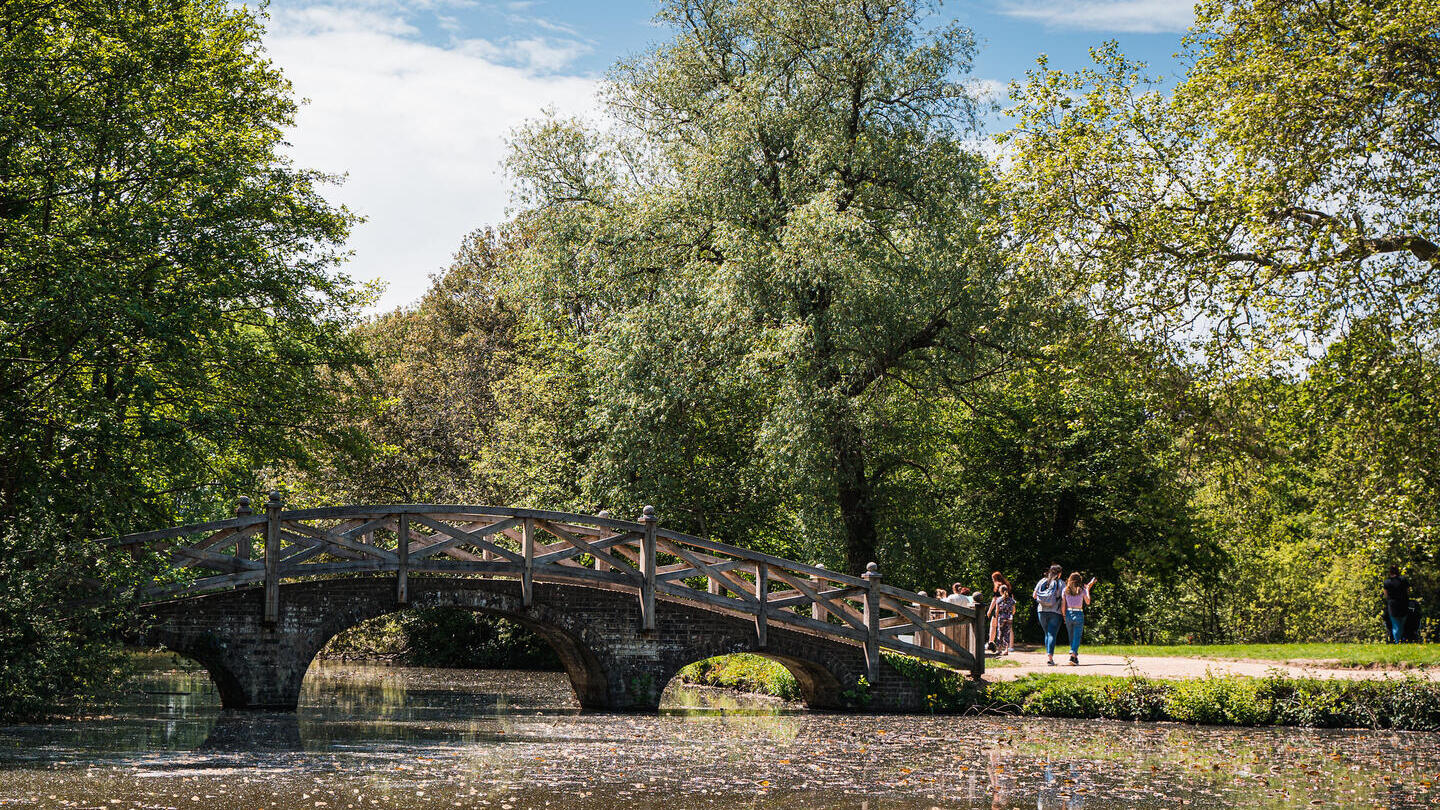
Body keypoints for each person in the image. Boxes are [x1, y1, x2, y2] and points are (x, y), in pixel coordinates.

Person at [1032, 564, 1065, 666]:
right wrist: (1064, 614)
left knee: (1047, 633)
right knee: (1052, 633)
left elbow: (1034, 595)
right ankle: (1050, 658)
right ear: (1059, 574)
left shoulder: (1042, 581)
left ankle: (1048, 655)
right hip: (1055, 611)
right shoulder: (1060, 583)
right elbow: (1064, 599)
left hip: (1041, 611)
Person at [1062, 572, 1098, 665]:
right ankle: (1073, 654)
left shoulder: (1065, 590)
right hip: (1078, 613)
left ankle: (1074, 657)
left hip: (1069, 613)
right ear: (1080, 580)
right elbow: (1088, 602)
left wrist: (1064, 616)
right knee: (1077, 636)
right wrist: (1088, 590)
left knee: (1071, 637)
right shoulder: (1082, 590)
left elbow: (1063, 605)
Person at [1383, 566, 1410, 644]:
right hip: (1403, 603)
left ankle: (1398, 641)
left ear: (1390, 572)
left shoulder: (1387, 582)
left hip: (1392, 605)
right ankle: (1400, 640)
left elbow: (1386, 594)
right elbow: (1408, 591)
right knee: (1401, 624)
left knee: (1395, 625)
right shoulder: (1403, 580)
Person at [992, 584, 1016, 655]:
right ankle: (1006, 650)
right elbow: (1014, 610)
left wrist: (996, 618)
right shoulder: (1012, 600)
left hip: (1001, 617)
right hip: (1009, 618)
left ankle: (999, 649)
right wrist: (1010, 615)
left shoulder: (999, 600)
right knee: (1007, 633)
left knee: (1000, 633)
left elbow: (997, 611)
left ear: (1000, 591)